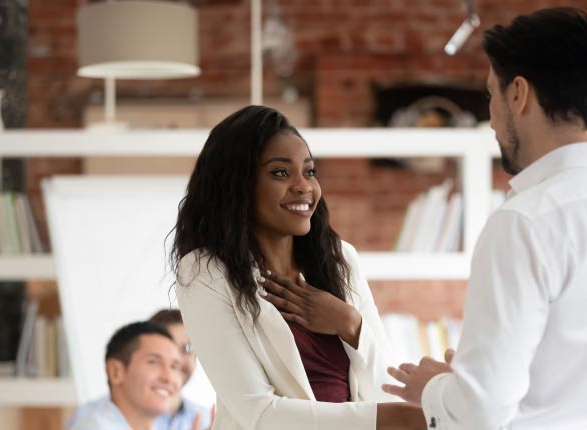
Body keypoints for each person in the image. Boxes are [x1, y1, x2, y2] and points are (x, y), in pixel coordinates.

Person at [383, 7, 587, 430]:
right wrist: (468, 385)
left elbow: (479, 414)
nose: (491, 120)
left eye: (491, 95)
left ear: (518, 94)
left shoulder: (523, 223)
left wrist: (434, 390)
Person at [171, 105, 425, 429]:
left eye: (309, 172)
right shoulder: (205, 273)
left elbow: (386, 390)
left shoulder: (340, 259)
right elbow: (259, 414)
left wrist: (350, 323)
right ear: (238, 184)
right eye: (280, 173)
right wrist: (392, 419)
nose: (304, 187)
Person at [69, 311, 213, 430]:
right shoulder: (95, 424)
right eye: (153, 362)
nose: (169, 377)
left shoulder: (204, 417)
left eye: (174, 366)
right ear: (116, 372)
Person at [149, 309, 213, 430]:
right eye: (168, 347)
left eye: (188, 348)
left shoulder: (208, 421)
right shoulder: (115, 418)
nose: (177, 359)